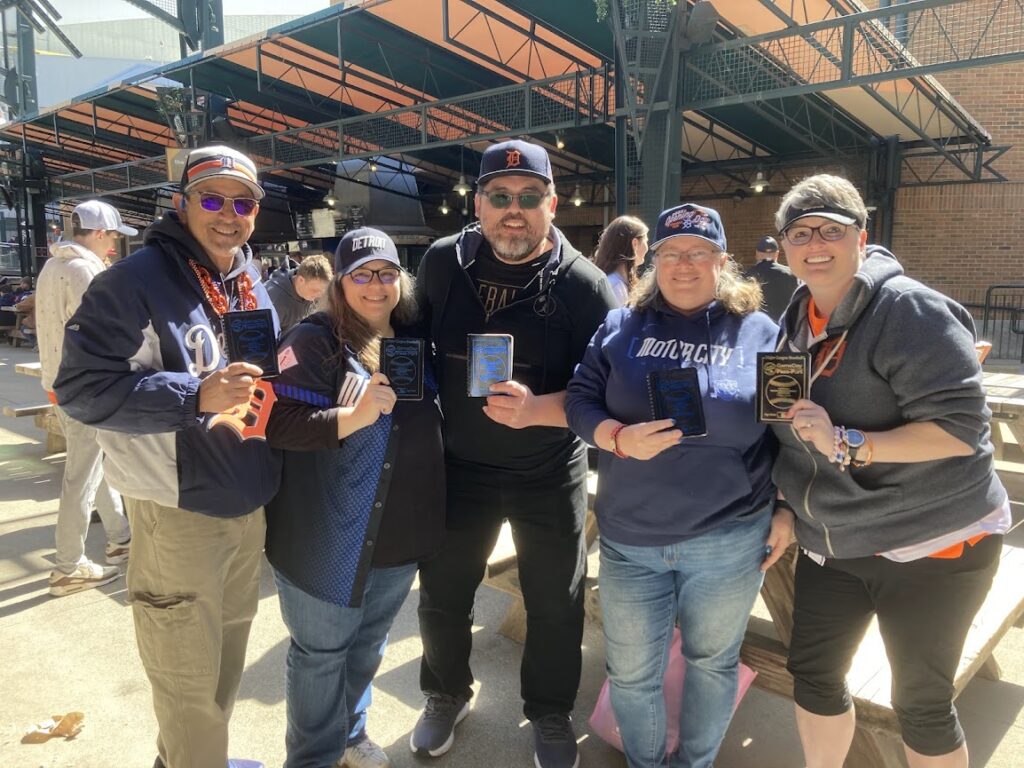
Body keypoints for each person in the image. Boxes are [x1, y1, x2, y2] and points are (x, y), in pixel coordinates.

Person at [53, 145, 282, 768]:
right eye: (212, 199)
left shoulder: (247, 277)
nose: (228, 214)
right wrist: (194, 395)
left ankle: (195, 760)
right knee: (185, 679)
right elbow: (80, 389)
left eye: (243, 202)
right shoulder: (132, 282)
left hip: (245, 504)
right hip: (177, 513)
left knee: (225, 661)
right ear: (181, 203)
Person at [770, 174, 1009, 768]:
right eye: (800, 232)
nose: (815, 243)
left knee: (920, 702)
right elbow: (788, 430)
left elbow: (960, 432)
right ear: (783, 247)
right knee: (814, 675)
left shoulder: (910, 308)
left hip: (933, 540)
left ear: (862, 236)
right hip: (836, 538)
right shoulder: (794, 320)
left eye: (832, 229)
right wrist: (783, 506)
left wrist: (849, 442)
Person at [411, 139, 617, 768]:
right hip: (460, 465)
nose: (514, 211)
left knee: (556, 601)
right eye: (500, 197)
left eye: (529, 198)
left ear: (551, 203)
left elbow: (604, 390)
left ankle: (549, 711)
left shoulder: (585, 287)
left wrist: (542, 407)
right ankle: (445, 693)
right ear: (479, 202)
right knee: (443, 592)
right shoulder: (444, 264)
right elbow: (409, 347)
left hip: (547, 470)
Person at [565, 203, 791, 768]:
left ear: (722, 261)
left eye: (698, 253)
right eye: (670, 253)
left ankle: (694, 763)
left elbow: (791, 430)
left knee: (712, 663)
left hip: (728, 539)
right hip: (631, 540)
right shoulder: (620, 327)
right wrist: (616, 437)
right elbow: (578, 401)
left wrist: (786, 508)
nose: (683, 265)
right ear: (652, 262)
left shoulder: (763, 332)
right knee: (632, 672)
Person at [264, 228, 444, 768]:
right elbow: (276, 422)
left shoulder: (416, 336)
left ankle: (349, 733)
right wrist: (354, 415)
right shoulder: (312, 340)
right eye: (361, 275)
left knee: (367, 644)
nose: (375, 285)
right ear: (339, 283)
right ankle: (314, 758)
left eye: (386, 273)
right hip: (327, 534)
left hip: (399, 530)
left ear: (400, 280)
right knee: (321, 655)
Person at [37, 200, 136, 596]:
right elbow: (104, 334)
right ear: (98, 233)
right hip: (86, 388)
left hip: (59, 382)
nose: (113, 245)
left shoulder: (52, 265)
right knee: (81, 476)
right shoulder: (85, 270)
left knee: (95, 464)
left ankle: (121, 539)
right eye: (112, 236)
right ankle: (67, 566)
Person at [265, 252, 333, 333]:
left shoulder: (316, 296)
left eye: (322, 292)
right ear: (301, 280)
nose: (318, 296)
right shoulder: (274, 298)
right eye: (315, 290)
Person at [593, 215, 648, 305]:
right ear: (635, 244)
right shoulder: (616, 286)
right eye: (646, 240)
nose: (647, 247)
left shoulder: (613, 282)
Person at [743, 235, 797, 321]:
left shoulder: (747, 275)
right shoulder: (792, 274)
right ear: (777, 254)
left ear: (757, 254)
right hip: (785, 327)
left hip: (758, 327)